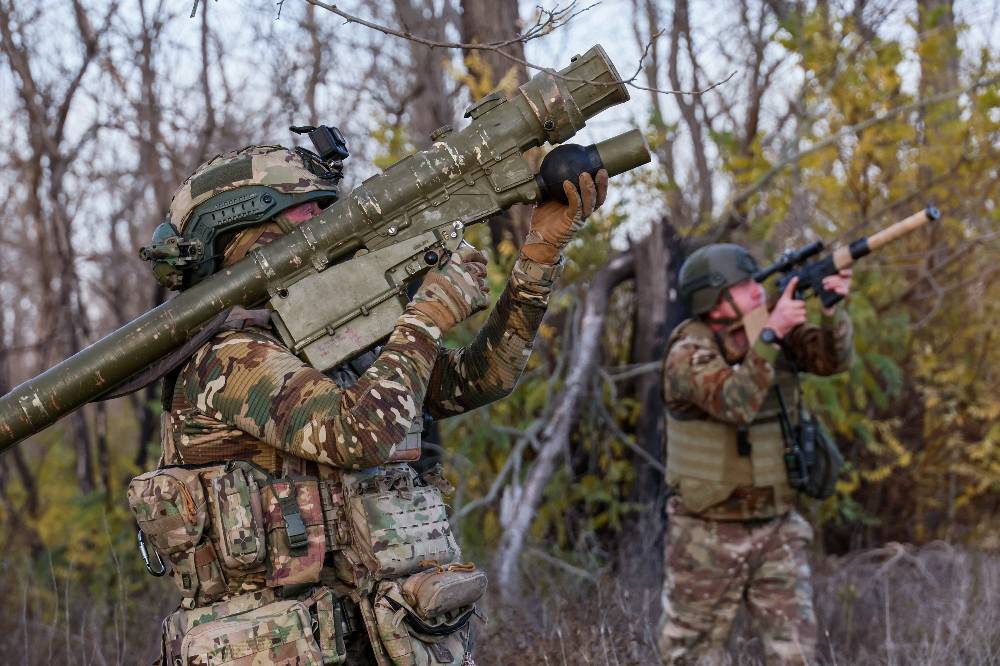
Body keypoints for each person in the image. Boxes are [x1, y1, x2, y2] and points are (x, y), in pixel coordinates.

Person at [128, 143, 608, 665]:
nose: (330, 223)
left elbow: (478, 378)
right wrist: (425, 318)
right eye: (309, 211)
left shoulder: (322, 339)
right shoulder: (227, 358)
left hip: (372, 635)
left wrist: (538, 257)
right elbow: (354, 434)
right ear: (246, 232)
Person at [657, 243, 854, 665]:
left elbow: (830, 361)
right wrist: (771, 334)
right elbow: (735, 401)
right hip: (705, 535)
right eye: (744, 286)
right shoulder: (686, 354)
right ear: (713, 300)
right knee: (691, 655)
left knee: (795, 654)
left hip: (777, 526)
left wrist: (833, 313)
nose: (757, 292)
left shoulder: (768, 328)